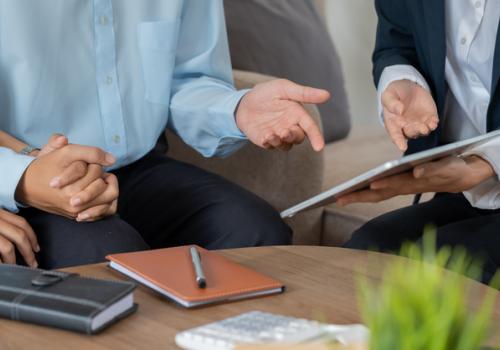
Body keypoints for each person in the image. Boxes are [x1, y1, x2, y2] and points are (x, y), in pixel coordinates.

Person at [0, 1, 330, 269]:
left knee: (259, 234)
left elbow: (187, 78)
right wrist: (21, 176)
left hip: (135, 167)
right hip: (20, 187)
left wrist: (238, 109)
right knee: (112, 263)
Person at [340, 0, 500, 282]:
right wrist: (404, 80)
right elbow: (397, 44)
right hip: (470, 192)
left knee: (447, 276)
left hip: (478, 175)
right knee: (365, 254)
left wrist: (486, 162)